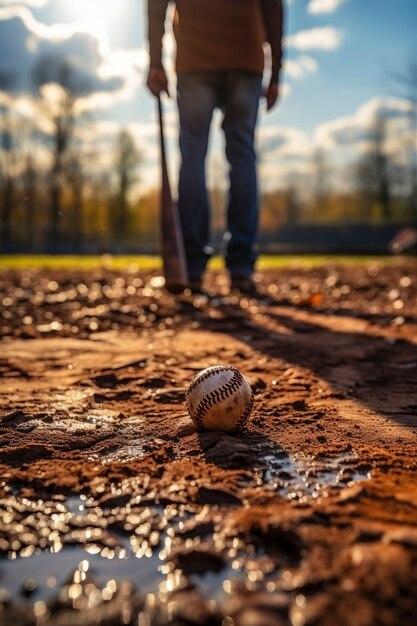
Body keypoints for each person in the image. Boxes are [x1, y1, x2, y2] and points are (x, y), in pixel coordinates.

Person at [147, 0, 284, 294]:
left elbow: (156, 4)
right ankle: (241, 266)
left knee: (193, 155)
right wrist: (276, 72)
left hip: (195, 60)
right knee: (242, 155)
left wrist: (156, 62)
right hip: (245, 55)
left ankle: (192, 264)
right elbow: (273, 7)